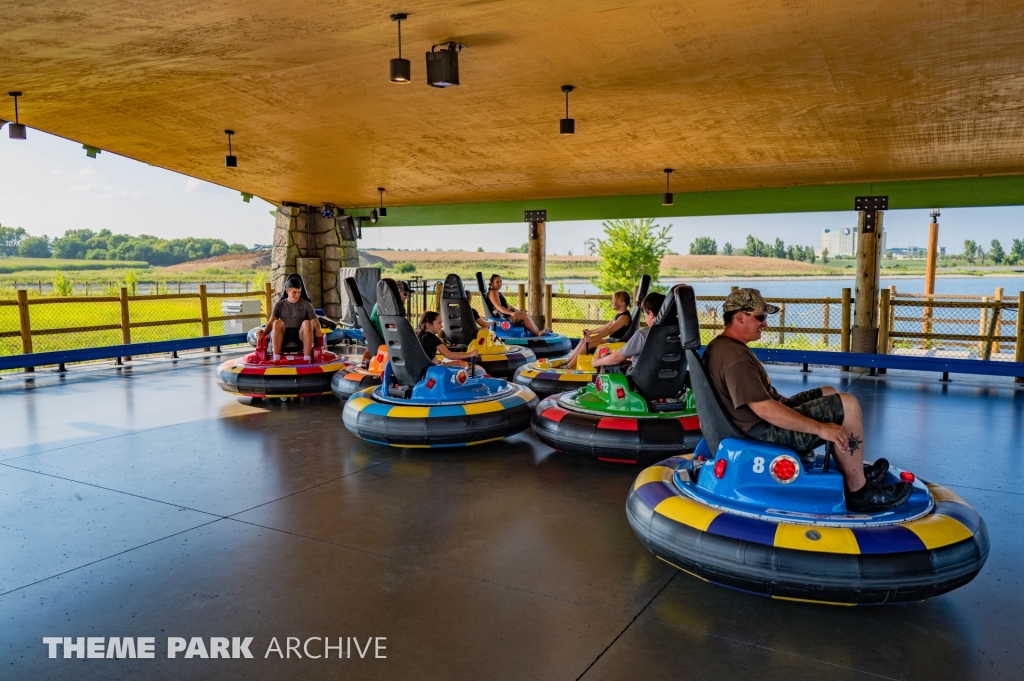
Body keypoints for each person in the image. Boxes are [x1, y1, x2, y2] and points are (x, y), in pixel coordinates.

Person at [701, 288, 911, 513]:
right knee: (847, 405)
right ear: (740, 317)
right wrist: (820, 428)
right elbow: (765, 409)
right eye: (760, 318)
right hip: (764, 432)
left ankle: (853, 470)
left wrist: (797, 408)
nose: (765, 324)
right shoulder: (734, 358)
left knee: (829, 392)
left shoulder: (724, 347)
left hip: (756, 423)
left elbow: (765, 401)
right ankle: (859, 491)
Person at [591, 292, 665, 374]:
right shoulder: (678, 334)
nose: (645, 319)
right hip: (668, 377)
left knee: (605, 360)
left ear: (651, 314)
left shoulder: (642, 335)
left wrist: (598, 361)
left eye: (645, 315)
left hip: (640, 377)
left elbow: (618, 358)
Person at [255, 274, 323, 362]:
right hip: (283, 335)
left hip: (301, 335)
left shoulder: (307, 305)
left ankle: (307, 359)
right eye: (294, 292)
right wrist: (263, 333)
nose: (297, 295)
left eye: (299, 292)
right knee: (277, 323)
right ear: (287, 291)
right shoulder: (279, 305)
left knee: (307, 323)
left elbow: (315, 321)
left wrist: (318, 330)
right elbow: (271, 322)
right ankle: (276, 359)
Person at [563, 290, 631, 369]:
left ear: (623, 303)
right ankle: (567, 362)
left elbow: (609, 330)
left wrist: (592, 338)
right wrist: (590, 332)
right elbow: (605, 327)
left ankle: (569, 367)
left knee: (587, 344)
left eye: (615, 300)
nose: (612, 302)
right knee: (583, 340)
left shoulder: (624, 317)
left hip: (616, 341)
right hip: (612, 340)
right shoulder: (619, 315)